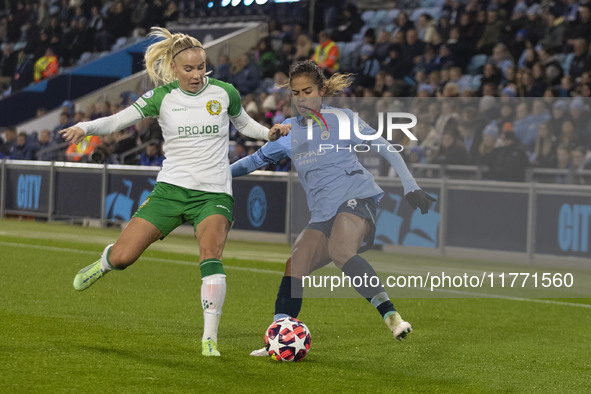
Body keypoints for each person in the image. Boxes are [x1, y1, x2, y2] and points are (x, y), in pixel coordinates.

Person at [58, 27, 290, 357]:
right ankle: (105, 262)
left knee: (211, 255)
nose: (197, 75)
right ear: (173, 68)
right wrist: (85, 127)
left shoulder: (225, 93)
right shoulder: (161, 97)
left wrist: (269, 132)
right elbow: (117, 121)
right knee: (125, 257)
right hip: (170, 191)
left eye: (202, 68)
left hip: (213, 193)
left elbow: (244, 125)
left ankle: (209, 337)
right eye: (189, 69)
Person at [231, 60, 435, 357]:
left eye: (308, 91)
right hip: (323, 214)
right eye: (296, 93)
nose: (302, 99)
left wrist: (411, 185)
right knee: (296, 262)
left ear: (322, 90)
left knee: (341, 249)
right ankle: (279, 335)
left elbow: (384, 146)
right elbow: (252, 162)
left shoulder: (342, 119)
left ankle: (392, 317)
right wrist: (216, 174)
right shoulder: (288, 134)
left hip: (358, 198)